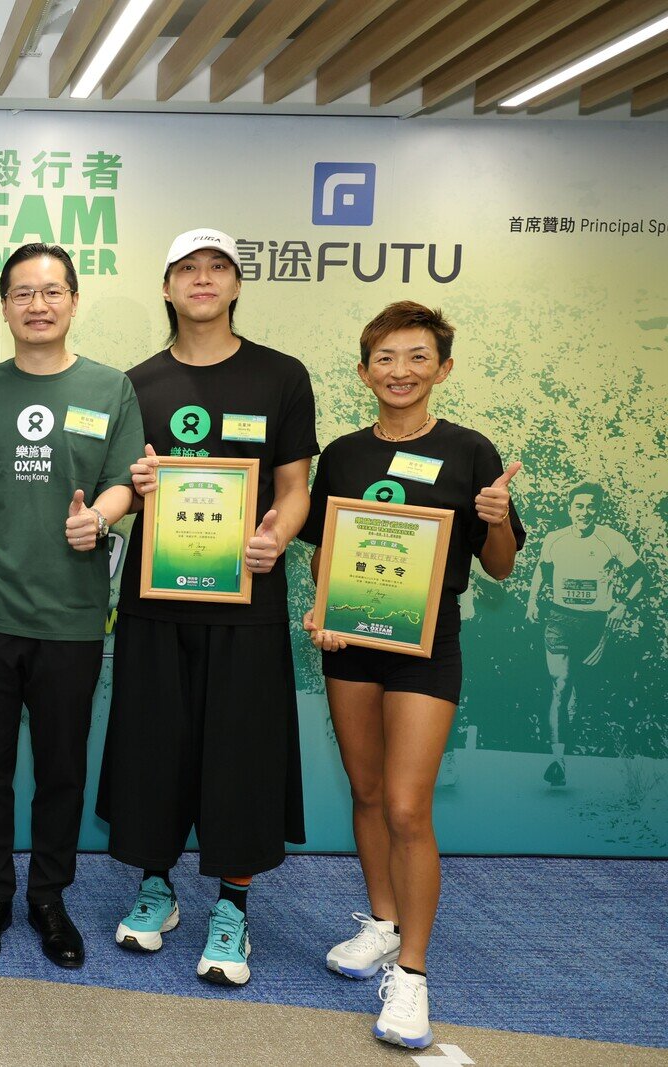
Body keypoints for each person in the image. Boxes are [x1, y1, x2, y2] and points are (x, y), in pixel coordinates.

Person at [97, 228, 316, 988]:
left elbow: (295, 490)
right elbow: (121, 488)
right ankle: (156, 888)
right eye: (187, 268)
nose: (202, 279)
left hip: (246, 603)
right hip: (158, 602)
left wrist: (275, 537)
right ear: (166, 286)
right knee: (154, 743)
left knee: (241, 755)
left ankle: (233, 905)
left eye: (217, 267)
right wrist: (129, 492)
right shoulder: (135, 384)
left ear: (235, 284)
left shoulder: (281, 377)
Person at [302, 301, 524, 1049]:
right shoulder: (341, 453)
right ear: (364, 372)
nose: (401, 371)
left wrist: (495, 514)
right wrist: (321, 606)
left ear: (444, 367)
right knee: (365, 791)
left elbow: (498, 566)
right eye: (386, 359)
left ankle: (414, 976)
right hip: (350, 644)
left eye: (417, 357)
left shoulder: (470, 451)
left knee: (405, 805)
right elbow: (323, 547)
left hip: (429, 648)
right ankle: (382, 923)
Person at [0, 243, 142, 969]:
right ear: (4, 305)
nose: (38, 304)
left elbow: (125, 480)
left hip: (70, 617)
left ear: (73, 301)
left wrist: (101, 515)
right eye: (23, 292)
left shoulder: (109, 387)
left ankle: (49, 897)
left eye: (52, 291)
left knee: (62, 768)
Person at [524, 482, 643, 787]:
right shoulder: (555, 539)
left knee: (588, 691)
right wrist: (532, 601)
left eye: (591, 506)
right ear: (570, 509)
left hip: (596, 625)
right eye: (579, 506)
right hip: (560, 619)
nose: (585, 512)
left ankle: (601, 754)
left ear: (598, 510)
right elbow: (542, 569)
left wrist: (623, 605)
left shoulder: (611, 540)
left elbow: (641, 576)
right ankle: (558, 759)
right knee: (561, 685)